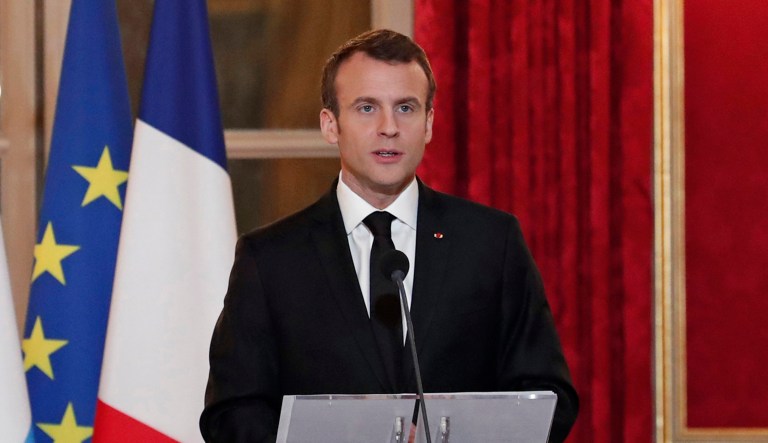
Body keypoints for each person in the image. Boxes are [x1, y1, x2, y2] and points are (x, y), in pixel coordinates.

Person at [200, 29, 578, 442]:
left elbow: (548, 395)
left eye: (406, 108)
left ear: (429, 123)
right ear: (331, 125)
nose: (389, 127)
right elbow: (231, 412)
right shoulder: (270, 259)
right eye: (366, 108)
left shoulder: (491, 243)